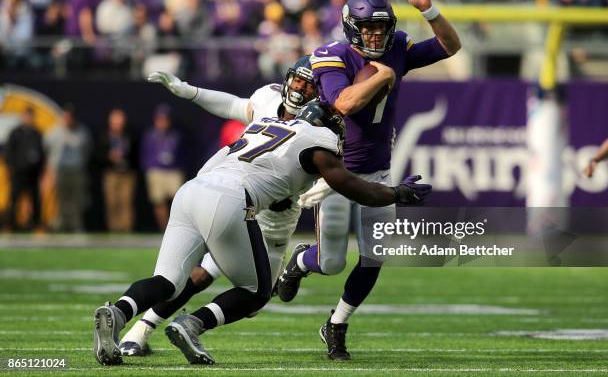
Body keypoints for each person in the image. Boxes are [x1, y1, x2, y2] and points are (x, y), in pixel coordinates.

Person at [93, 100, 431, 366]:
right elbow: (356, 189)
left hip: (192, 191)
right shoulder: (319, 140)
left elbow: (215, 165)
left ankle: (118, 312)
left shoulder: (264, 124)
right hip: (229, 199)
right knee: (257, 292)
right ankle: (192, 325)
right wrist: (396, 194)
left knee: (167, 281)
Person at [277, 0, 461, 360]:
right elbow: (343, 103)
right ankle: (300, 261)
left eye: (381, 28)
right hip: (337, 176)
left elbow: (450, 45)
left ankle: (336, 324)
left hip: (377, 171)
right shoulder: (331, 55)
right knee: (330, 263)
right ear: (350, 28)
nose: (375, 36)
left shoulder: (396, 45)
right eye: (367, 28)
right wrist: (386, 74)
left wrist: (429, 9)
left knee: (376, 256)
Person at [119, 56, 319, 356]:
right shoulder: (268, 99)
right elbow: (233, 106)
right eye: (298, 80)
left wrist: (324, 188)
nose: (301, 89)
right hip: (240, 198)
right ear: (288, 78)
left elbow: (338, 167)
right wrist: (190, 91)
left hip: (276, 214)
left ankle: (291, 271)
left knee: (256, 297)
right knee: (206, 275)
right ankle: (144, 329)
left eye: (309, 84)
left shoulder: (319, 122)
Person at [45, 104, 92, 232]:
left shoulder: (83, 132)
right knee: (61, 199)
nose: (67, 120)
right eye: (65, 117)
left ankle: (77, 225)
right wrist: (49, 171)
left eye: (70, 117)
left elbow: (87, 151)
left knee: (78, 199)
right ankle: (61, 225)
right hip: (60, 170)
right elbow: (47, 151)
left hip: (77, 170)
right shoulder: (54, 132)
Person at [140, 104, 184, 230]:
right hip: (156, 171)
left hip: (173, 171)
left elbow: (185, 154)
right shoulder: (150, 135)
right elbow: (145, 153)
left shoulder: (177, 135)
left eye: (165, 119)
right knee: (158, 201)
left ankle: (177, 228)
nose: (163, 122)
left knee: (178, 201)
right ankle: (164, 228)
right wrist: (149, 167)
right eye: (160, 119)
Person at [3, 107, 45, 231]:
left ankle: (37, 224)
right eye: (26, 116)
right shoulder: (15, 133)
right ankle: (9, 224)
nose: (29, 119)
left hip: (33, 173)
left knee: (35, 199)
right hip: (18, 172)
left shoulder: (37, 133)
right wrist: (12, 167)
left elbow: (42, 153)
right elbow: (8, 152)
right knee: (14, 199)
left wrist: (40, 169)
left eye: (31, 116)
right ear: (22, 117)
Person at [98, 108, 138, 232]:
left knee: (126, 200)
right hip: (111, 172)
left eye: (120, 121)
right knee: (112, 201)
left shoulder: (129, 135)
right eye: (115, 121)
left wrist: (125, 157)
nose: (118, 124)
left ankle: (126, 227)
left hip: (127, 173)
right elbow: (97, 155)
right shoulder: (104, 136)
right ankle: (113, 228)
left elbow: (135, 154)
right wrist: (109, 156)